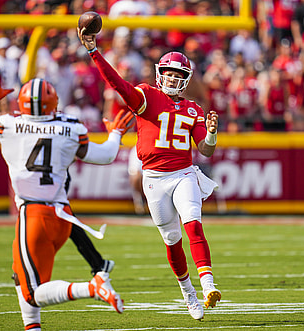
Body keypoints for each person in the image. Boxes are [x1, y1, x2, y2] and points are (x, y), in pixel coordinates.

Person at [0, 68, 134, 330]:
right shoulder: (70, 127)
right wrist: (116, 134)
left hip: (33, 216)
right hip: (62, 219)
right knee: (20, 277)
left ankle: (93, 287)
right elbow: (105, 156)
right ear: (54, 103)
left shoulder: (9, 125)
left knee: (33, 292)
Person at [78, 29, 221, 321]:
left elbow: (204, 150)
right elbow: (117, 84)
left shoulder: (194, 109)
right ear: (160, 74)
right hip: (154, 179)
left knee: (193, 223)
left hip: (183, 174)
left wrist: (213, 135)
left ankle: (208, 286)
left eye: (176, 74)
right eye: (167, 73)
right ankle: (188, 292)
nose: (171, 78)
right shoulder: (147, 96)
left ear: (185, 79)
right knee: (172, 240)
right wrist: (95, 52)